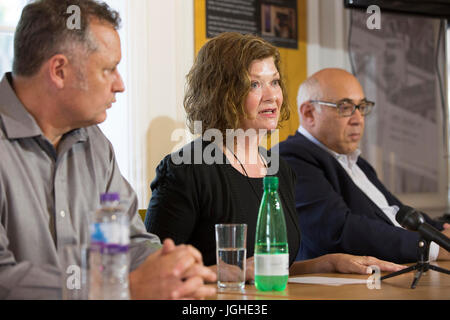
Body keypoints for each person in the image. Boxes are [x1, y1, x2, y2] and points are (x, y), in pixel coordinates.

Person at [0, 0, 216, 300]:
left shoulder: (95, 143)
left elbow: (130, 241)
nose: (120, 84)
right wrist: (125, 289)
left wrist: (172, 267)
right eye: (109, 69)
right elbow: (4, 279)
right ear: (59, 70)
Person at [145, 33, 405, 279]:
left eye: (275, 82)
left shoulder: (280, 170)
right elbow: (154, 273)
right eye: (255, 84)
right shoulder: (186, 170)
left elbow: (269, 269)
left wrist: (330, 262)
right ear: (221, 93)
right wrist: (226, 272)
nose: (272, 96)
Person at [278, 68, 450, 263]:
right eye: (345, 107)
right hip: (346, 285)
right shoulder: (289, 158)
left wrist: (441, 231)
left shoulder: (356, 161)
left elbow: (402, 215)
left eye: (361, 107)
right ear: (309, 113)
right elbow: (339, 231)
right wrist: (433, 248)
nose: (358, 119)